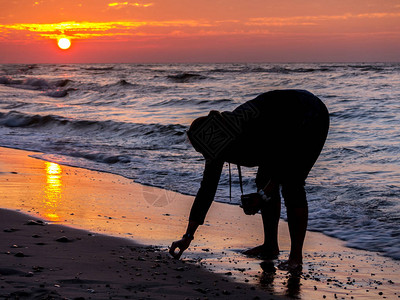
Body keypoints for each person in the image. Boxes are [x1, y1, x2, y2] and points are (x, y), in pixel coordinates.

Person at [169, 90, 329, 271]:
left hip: (308, 115)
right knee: (263, 179)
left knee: (292, 184)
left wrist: (263, 195)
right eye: (202, 151)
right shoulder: (215, 142)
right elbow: (207, 189)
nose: (205, 155)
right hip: (279, 128)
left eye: (204, 150)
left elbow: (282, 157)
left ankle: (295, 258)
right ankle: (270, 246)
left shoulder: (247, 129)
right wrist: (187, 236)